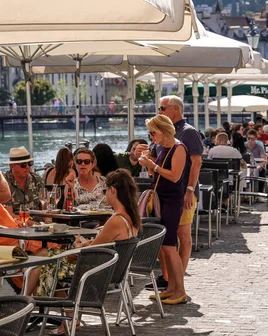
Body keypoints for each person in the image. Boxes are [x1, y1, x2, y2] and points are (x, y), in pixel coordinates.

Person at [31, 169, 141, 333]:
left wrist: (77, 247)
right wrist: (85, 245)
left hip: (93, 273)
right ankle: (64, 315)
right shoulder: (131, 218)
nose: (104, 195)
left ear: (112, 190)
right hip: (109, 272)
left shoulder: (116, 220)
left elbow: (89, 252)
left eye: (105, 191)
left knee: (44, 262)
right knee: (47, 259)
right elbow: (99, 245)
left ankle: (25, 308)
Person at [140, 96, 203, 291]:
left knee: (182, 234)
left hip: (181, 192)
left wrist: (190, 190)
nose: (159, 110)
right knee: (165, 240)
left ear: (175, 109)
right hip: (165, 194)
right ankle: (169, 279)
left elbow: (196, 163)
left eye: (162, 107)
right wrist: (147, 160)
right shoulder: (161, 138)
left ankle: (177, 280)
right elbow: (159, 165)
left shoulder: (188, 133)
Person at [138, 114, 188, 305]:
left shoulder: (179, 148)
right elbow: (157, 173)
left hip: (172, 200)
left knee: (169, 246)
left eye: (153, 132)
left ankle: (180, 290)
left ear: (163, 130)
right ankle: (171, 287)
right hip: (161, 198)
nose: (151, 136)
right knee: (164, 246)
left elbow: (175, 176)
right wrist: (147, 164)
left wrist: (153, 166)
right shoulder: (162, 147)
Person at [3, 146, 44, 216]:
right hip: (16, 224)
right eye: (23, 165)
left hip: (39, 223)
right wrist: (30, 223)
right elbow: (9, 215)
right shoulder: (4, 183)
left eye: (30, 163)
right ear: (12, 166)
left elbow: (44, 208)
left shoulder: (37, 179)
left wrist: (47, 222)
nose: (28, 167)